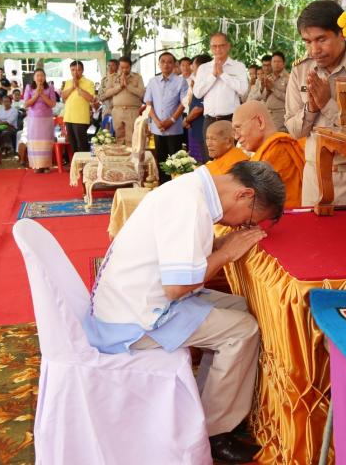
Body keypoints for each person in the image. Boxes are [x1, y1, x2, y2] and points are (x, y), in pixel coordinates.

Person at [85, 160, 286, 464]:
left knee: (240, 306)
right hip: (134, 318)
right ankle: (215, 432)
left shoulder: (191, 189)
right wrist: (226, 253)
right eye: (250, 219)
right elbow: (178, 287)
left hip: (133, 299)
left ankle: (208, 405)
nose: (243, 226)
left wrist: (219, 244)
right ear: (245, 194)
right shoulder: (189, 203)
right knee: (243, 330)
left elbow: (183, 252)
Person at [285, 0, 346, 206]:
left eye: (321, 39)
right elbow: (294, 131)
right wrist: (311, 108)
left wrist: (328, 104)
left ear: (341, 33)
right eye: (307, 42)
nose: (314, 50)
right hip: (315, 177)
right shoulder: (301, 71)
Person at [233, 101, 304, 208]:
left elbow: (255, 202)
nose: (236, 136)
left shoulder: (277, 150)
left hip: (286, 215)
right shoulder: (268, 149)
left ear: (260, 122)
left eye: (238, 128)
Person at [193, 33, 249, 144]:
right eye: (214, 46)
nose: (218, 49)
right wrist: (213, 75)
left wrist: (223, 75)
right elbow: (197, 93)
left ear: (228, 46)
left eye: (221, 45)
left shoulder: (238, 66)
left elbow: (243, 90)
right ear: (210, 47)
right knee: (210, 154)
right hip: (210, 120)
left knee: (232, 153)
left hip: (231, 120)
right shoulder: (204, 68)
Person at [145, 52, 187, 184]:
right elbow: (148, 103)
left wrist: (171, 120)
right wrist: (157, 122)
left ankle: (175, 188)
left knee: (175, 163)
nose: (166, 64)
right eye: (162, 61)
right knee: (161, 161)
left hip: (174, 129)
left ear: (174, 64)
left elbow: (184, 103)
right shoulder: (153, 81)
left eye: (169, 62)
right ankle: (163, 187)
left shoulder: (181, 81)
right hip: (157, 129)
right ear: (158, 64)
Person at [99, 56, 145, 146]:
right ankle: (120, 154)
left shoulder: (137, 77)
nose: (124, 70)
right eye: (121, 67)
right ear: (118, 67)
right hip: (117, 111)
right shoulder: (113, 77)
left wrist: (128, 86)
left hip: (132, 111)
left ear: (130, 67)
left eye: (126, 67)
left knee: (131, 138)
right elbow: (107, 93)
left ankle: (130, 154)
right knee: (119, 138)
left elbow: (142, 93)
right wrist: (120, 86)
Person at [23, 68, 57, 173]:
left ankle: (46, 165)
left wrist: (42, 94)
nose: (40, 77)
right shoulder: (29, 87)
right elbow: (26, 104)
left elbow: (53, 104)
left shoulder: (50, 87)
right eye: (37, 75)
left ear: (45, 77)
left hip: (46, 119)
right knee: (35, 142)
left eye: (42, 75)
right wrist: (37, 94)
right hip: (34, 120)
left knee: (46, 142)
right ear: (34, 78)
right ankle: (37, 165)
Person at [61, 60, 96, 154]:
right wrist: (72, 87)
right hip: (68, 117)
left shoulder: (89, 82)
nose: (75, 72)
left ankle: (84, 163)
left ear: (82, 70)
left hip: (81, 118)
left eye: (78, 70)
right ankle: (76, 162)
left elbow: (91, 98)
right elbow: (63, 96)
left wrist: (78, 87)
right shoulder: (68, 82)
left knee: (82, 144)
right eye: (73, 70)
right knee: (73, 145)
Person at [183, 54, 209, 163]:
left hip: (203, 129)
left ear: (201, 67)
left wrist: (187, 120)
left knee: (206, 162)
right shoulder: (199, 81)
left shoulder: (205, 82)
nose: (191, 67)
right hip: (197, 129)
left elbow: (199, 108)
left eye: (193, 65)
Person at [263, 51, 289, 131]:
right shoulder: (269, 77)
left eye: (279, 61)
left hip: (281, 116)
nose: (276, 64)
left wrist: (273, 89)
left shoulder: (288, 78)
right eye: (274, 61)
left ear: (283, 63)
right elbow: (264, 98)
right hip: (268, 115)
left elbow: (289, 99)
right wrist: (267, 90)